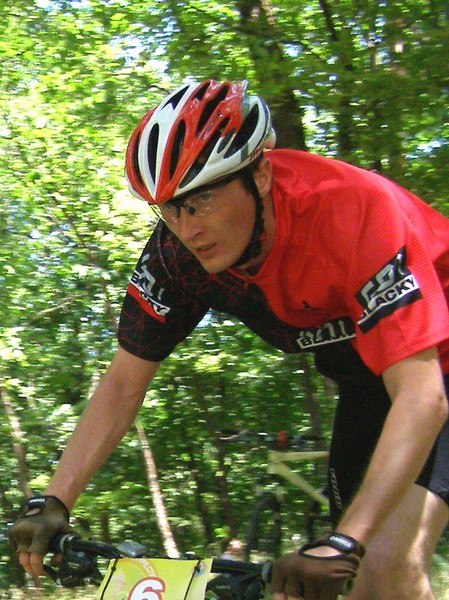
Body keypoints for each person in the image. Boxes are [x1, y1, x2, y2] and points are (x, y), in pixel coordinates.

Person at [7, 79, 449, 599]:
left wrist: (346, 540)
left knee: (385, 560)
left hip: (431, 364)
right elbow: (124, 381)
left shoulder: (349, 210)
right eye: (169, 208)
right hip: (367, 380)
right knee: (348, 582)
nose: (187, 228)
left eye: (204, 198)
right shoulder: (177, 257)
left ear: (260, 174)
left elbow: (422, 395)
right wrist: (54, 501)